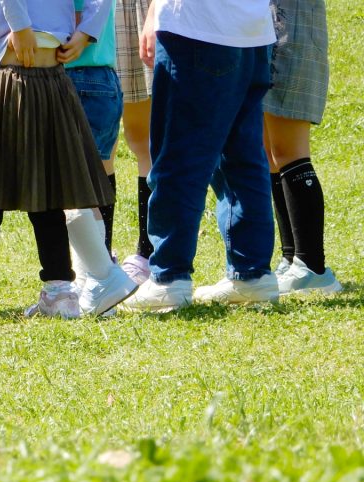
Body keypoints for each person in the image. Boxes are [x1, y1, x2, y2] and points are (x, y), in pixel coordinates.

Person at [0, 0, 115, 322]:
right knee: (49, 189)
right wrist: (88, 31)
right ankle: (60, 291)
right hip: (53, 73)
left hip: (11, 73)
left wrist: (20, 28)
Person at [124, 0, 278, 311]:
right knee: (242, 157)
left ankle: (169, 276)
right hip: (253, 29)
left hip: (197, 26)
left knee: (179, 157)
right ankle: (252, 273)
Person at [63, 0, 139, 316]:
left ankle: (103, 277)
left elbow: (77, 17)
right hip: (105, 79)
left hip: (76, 77)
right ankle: (93, 288)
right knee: (91, 187)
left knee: (72, 190)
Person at [264, 0, 341, 295]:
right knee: (272, 151)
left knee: (288, 149)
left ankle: (312, 265)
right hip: (269, 27)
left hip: (292, 27)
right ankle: (291, 258)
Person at [114, 0, 156, 283]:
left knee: (145, 138)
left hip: (148, 9)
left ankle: (149, 252)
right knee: (102, 140)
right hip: (101, 13)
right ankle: (98, 257)